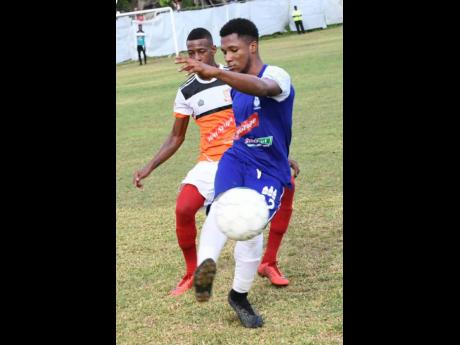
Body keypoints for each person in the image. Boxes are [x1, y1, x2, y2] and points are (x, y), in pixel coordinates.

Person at [133, 27, 297, 298]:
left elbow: (259, 118)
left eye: (202, 51)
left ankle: (269, 262)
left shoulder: (237, 77)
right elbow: (176, 136)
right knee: (185, 209)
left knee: (286, 187)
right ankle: (192, 273)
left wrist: (280, 155)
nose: (197, 57)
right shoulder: (186, 91)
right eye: (191, 53)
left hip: (249, 157)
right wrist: (148, 167)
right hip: (213, 162)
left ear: (212, 51)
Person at [176, 18, 295, 328]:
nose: (227, 58)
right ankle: (206, 267)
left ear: (252, 46)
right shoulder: (234, 84)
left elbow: (264, 89)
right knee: (222, 209)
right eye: (225, 52)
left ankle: (238, 295)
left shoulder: (276, 75)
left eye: (233, 50)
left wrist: (218, 72)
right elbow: (247, 126)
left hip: (270, 168)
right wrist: (223, 75)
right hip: (237, 157)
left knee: (250, 226)